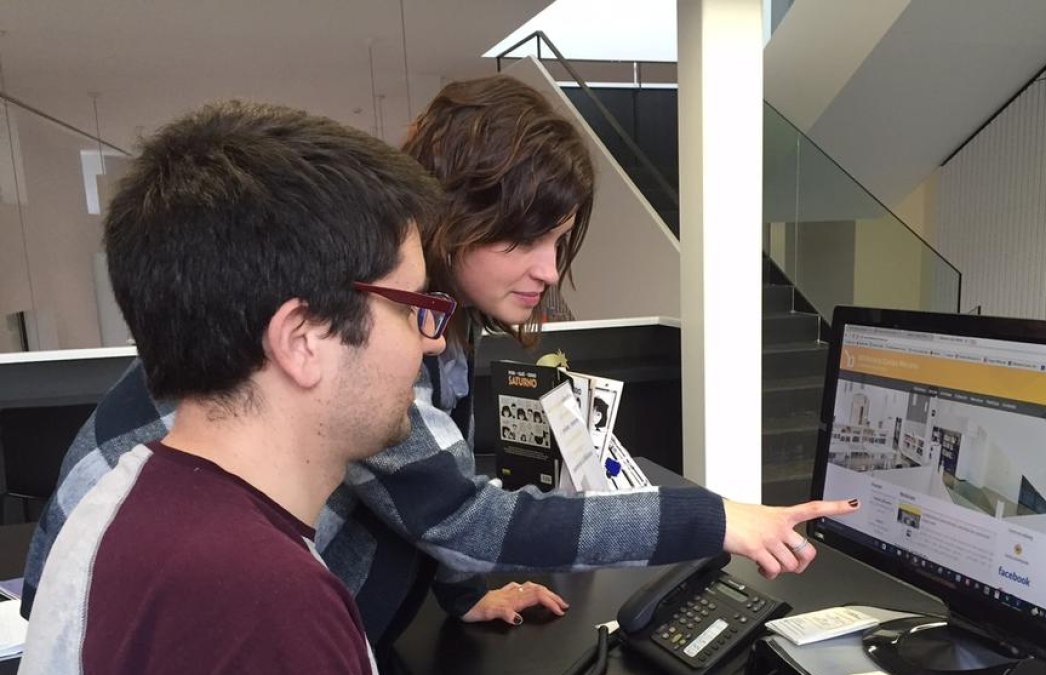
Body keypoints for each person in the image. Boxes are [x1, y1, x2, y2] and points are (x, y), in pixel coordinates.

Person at [23, 75, 858, 659]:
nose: (545, 268)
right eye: (524, 236)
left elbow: (429, 494)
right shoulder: (250, 572)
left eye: (559, 242)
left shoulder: (418, 339)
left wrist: (464, 592)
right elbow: (468, 515)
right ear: (301, 337)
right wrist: (714, 518)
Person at [20, 101, 447, 673]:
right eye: (410, 307)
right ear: (302, 339)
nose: (432, 341)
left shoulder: (124, 499)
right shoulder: (268, 604)